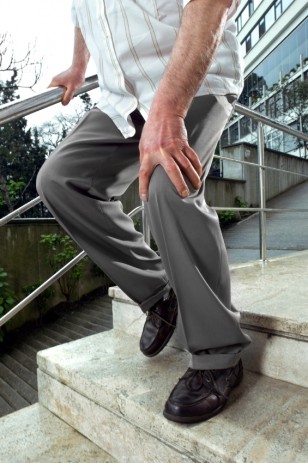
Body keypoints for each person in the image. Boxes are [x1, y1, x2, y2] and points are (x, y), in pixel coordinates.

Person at [36, 0, 251, 424]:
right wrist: (78, 65)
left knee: (171, 186)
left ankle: (218, 355)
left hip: (196, 79)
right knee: (59, 180)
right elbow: (84, 13)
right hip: (124, 99)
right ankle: (160, 294)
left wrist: (169, 110)